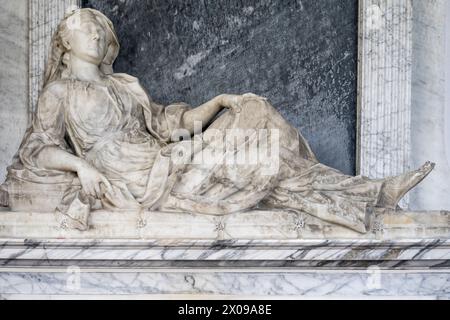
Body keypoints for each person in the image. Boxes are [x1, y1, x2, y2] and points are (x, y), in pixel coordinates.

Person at [1, 8, 434, 233]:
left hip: (163, 155)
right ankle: (369, 196)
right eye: (85, 29)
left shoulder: (126, 85)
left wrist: (220, 101)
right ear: (65, 42)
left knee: (255, 111)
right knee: (260, 161)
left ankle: (364, 198)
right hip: (134, 178)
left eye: (99, 30)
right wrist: (82, 165)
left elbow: (173, 125)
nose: (95, 35)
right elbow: (38, 147)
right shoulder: (59, 93)